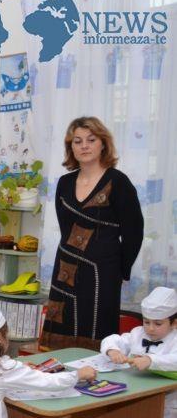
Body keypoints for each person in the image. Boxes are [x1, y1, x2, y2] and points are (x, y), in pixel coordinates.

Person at [42, 117, 144, 350]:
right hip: (65, 268)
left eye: (91, 140)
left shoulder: (118, 182)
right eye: (77, 141)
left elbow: (134, 232)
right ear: (71, 147)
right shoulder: (64, 183)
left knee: (98, 328)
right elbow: (66, 228)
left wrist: (121, 270)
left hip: (103, 271)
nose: (84, 146)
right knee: (63, 325)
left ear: (103, 144)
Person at [101, 286, 177, 418]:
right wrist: (112, 350)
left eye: (158, 324)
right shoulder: (138, 333)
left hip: (167, 402)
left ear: (174, 323)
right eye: (146, 322)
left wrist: (151, 360)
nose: (150, 328)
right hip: (134, 394)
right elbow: (113, 339)